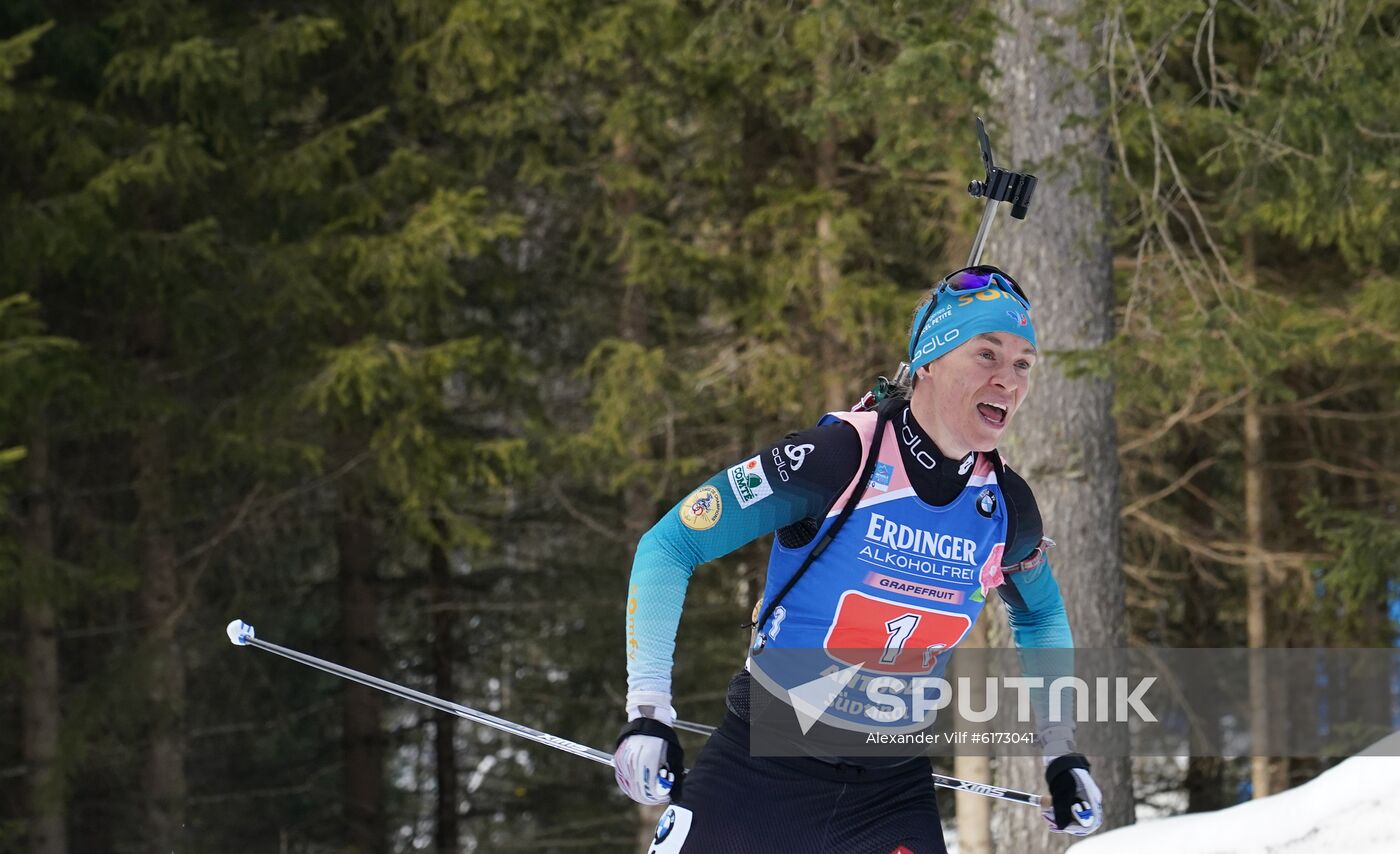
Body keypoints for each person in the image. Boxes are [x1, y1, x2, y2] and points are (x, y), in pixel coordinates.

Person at [614, 266, 1104, 853]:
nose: (1009, 380)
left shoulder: (1007, 509)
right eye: (986, 355)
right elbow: (670, 545)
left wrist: (1061, 751)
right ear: (929, 359)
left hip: (891, 794)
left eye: (1023, 363)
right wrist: (648, 711)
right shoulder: (836, 459)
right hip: (760, 774)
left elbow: (1041, 616)